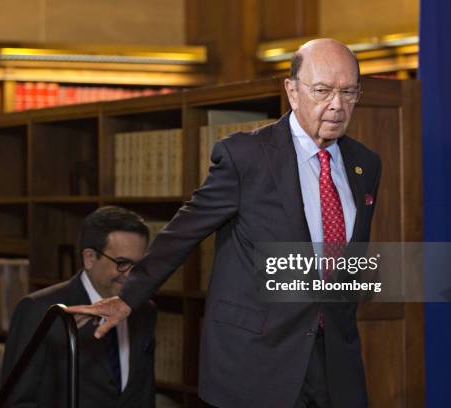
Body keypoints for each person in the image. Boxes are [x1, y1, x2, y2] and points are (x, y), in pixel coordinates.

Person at [66, 38, 381, 408]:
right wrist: (128, 297)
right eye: (323, 90)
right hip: (257, 360)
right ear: (292, 91)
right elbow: (183, 232)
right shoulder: (246, 157)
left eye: (348, 92)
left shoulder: (366, 164)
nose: (337, 105)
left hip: (334, 365)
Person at [2, 206, 156, 408]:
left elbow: (143, 394)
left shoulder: (145, 310)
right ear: (89, 258)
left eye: (138, 265)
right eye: (122, 263)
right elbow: (15, 401)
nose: (130, 275)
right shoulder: (39, 310)